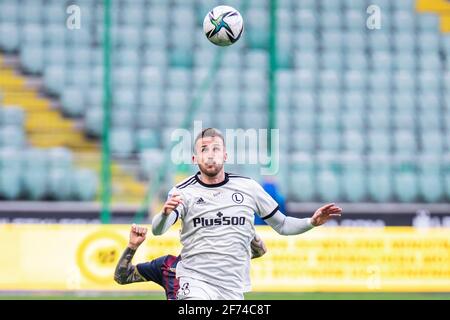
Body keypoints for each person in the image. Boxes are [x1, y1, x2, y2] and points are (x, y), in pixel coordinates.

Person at [152, 128, 342, 300]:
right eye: (204, 150)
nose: (210, 155)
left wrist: (311, 221)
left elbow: (282, 225)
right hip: (194, 281)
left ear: (225, 155)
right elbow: (158, 230)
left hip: (232, 287)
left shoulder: (248, 187)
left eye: (216, 149)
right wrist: (164, 214)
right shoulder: (182, 191)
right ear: (195, 159)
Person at [114, 224, 268, 300]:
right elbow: (122, 277)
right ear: (182, 234)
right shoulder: (167, 265)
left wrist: (246, 228)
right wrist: (132, 246)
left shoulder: (223, 260)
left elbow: (259, 251)